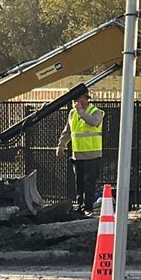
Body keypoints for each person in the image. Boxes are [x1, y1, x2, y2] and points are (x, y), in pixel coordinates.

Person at [55, 85, 104, 215]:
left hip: (92, 155)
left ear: (84, 99)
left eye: (76, 99)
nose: (74, 103)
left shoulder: (96, 112)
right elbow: (68, 132)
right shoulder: (73, 114)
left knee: (89, 184)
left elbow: (94, 122)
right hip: (78, 156)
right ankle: (80, 205)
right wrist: (61, 145)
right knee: (79, 183)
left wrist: (81, 112)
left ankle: (88, 207)